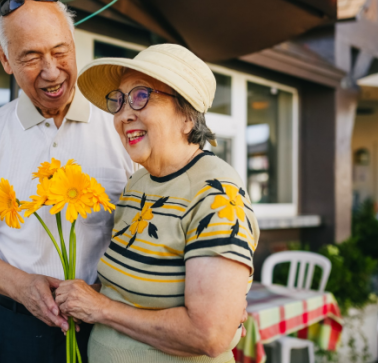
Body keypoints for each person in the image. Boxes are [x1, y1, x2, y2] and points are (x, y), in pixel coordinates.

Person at [0, 0, 132, 362]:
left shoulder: (124, 126)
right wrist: (23, 286)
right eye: (31, 57)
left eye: (60, 52)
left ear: (74, 45)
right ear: (5, 59)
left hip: (112, 328)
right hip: (14, 328)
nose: (51, 71)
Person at [55, 44, 260, 362]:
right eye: (119, 100)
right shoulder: (138, 183)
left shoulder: (217, 195)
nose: (124, 114)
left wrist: (101, 309)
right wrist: (83, 296)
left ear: (187, 117)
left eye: (141, 96)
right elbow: (131, 293)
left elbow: (209, 334)